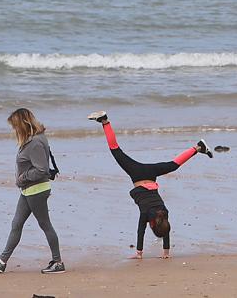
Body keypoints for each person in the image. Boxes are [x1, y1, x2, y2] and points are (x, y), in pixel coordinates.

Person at [87, 110, 212, 258]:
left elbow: (166, 230)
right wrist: (139, 253)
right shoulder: (146, 214)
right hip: (137, 173)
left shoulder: (164, 212)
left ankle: (198, 147)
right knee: (115, 150)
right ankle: (104, 121)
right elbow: (141, 231)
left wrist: (166, 252)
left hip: (151, 173)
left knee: (173, 164)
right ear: (152, 225)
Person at [0, 108, 65, 275]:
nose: (14, 130)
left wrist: (22, 177)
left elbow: (42, 170)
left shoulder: (35, 142)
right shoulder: (32, 139)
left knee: (45, 225)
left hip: (36, 190)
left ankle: (58, 262)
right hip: (28, 190)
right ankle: (1, 262)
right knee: (17, 224)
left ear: (23, 124)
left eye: (15, 126)